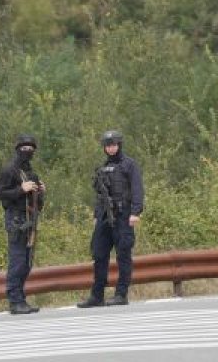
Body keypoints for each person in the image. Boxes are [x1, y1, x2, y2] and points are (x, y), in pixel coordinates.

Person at [78, 130, 144, 307]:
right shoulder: (102, 168)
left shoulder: (129, 165)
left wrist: (135, 212)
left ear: (119, 145)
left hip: (123, 216)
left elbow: (137, 189)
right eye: (108, 146)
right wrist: (96, 215)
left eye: (113, 145)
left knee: (123, 254)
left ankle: (121, 294)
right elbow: (100, 195)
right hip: (104, 216)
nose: (111, 148)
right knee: (99, 253)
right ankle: (97, 295)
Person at [0, 133, 45, 315]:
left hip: (30, 221)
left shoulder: (32, 173)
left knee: (26, 262)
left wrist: (40, 192)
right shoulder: (9, 170)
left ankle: (21, 298)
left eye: (31, 149)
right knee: (17, 261)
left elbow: (38, 204)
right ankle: (15, 301)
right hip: (15, 220)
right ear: (17, 149)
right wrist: (20, 189)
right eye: (24, 148)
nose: (27, 151)